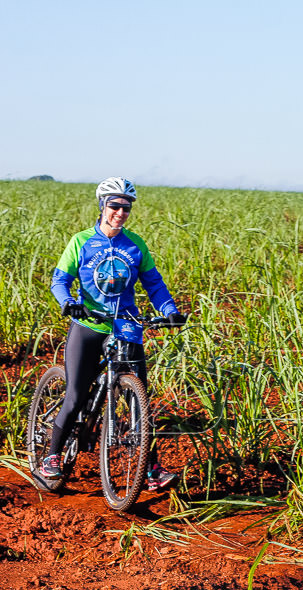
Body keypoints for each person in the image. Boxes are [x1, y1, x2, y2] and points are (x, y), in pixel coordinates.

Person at [41, 177, 187, 490]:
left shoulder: (135, 245)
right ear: (102, 206)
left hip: (127, 326)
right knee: (77, 394)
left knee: (139, 401)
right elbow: (59, 281)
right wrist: (69, 303)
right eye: (115, 205)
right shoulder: (81, 241)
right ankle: (51, 458)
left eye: (126, 207)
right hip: (90, 325)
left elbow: (154, 284)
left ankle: (150, 469)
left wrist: (169, 310)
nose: (120, 212)